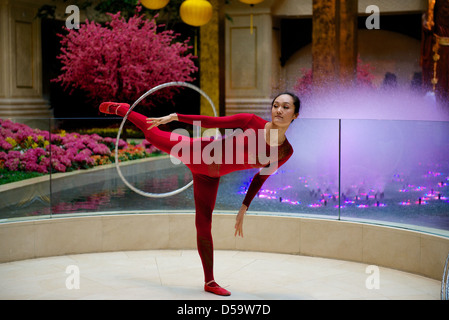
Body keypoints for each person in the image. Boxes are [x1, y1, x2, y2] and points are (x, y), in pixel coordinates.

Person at [99, 92, 300, 296]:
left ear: (295, 115)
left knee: (203, 223)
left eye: (285, 107)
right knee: (151, 134)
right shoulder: (250, 121)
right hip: (196, 152)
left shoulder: (285, 151)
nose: (279, 111)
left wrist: (243, 207)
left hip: (210, 176)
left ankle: (210, 282)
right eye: (276, 105)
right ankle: (122, 109)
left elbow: (260, 177)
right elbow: (210, 121)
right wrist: (175, 117)